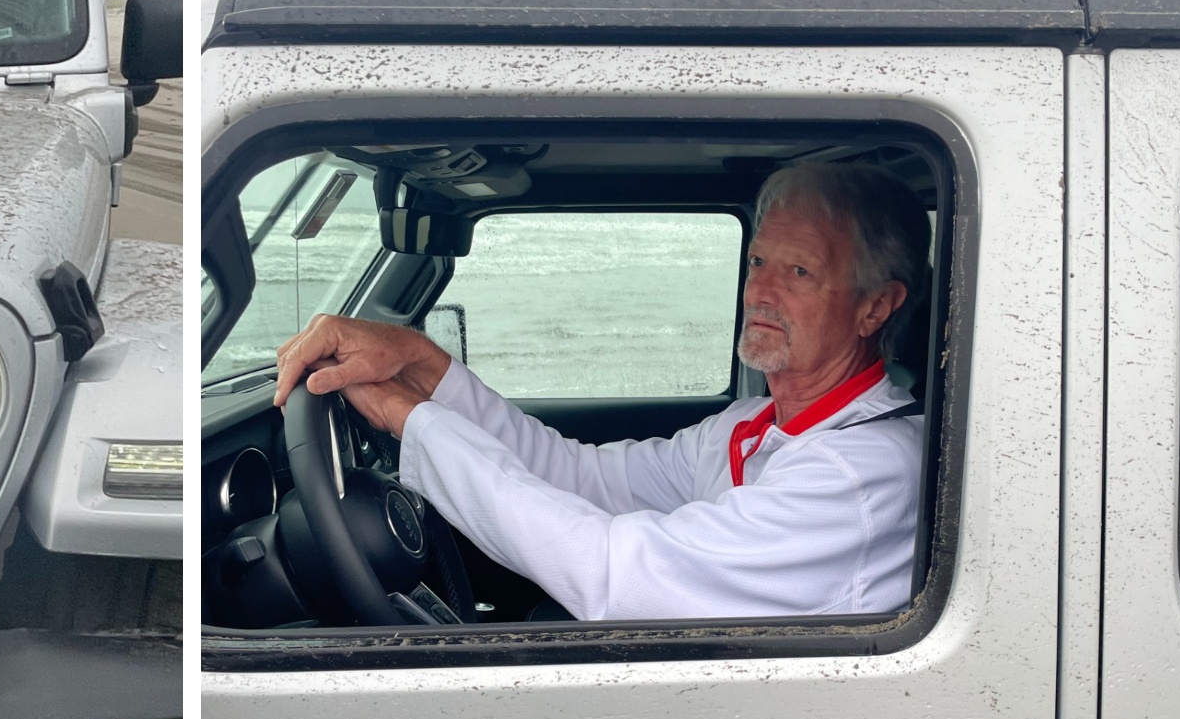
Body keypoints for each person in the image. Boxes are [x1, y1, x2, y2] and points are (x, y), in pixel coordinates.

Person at [271, 161, 931, 621]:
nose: (760, 291)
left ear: (876, 307)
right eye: (759, 261)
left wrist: (413, 421)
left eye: (799, 271)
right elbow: (579, 476)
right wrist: (431, 373)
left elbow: (618, 578)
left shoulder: (861, 471)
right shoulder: (754, 424)